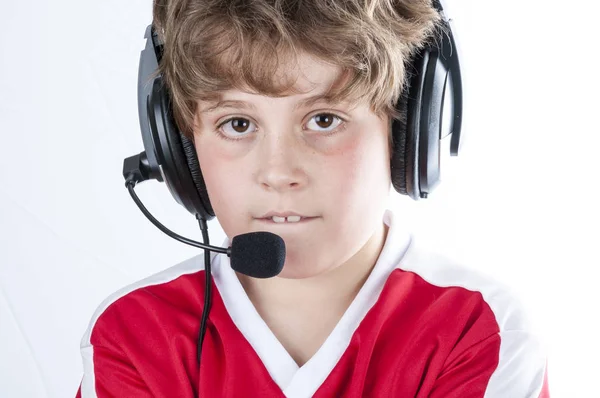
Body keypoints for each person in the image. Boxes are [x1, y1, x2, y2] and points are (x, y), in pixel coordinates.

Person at [75, 0, 550, 396]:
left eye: (324, 119)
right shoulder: (135, 336)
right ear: (179, 151)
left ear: (408, 132)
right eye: (237, 124)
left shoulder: (477, 330)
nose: (278, 172)